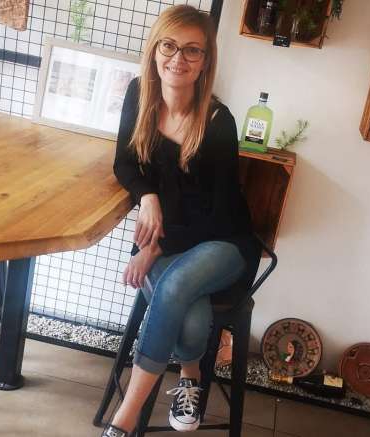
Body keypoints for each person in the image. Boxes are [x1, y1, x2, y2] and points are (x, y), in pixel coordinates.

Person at [102, 5, 261, 437]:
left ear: (206, 60)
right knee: (191, 315)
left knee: (173, 287)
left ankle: (123, 421)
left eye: (193, 50)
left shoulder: (218, 122)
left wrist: (153, 248)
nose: (178, 59)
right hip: (167, 239)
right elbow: (124, 163)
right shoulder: (139, 94)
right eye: (169, 46)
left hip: (223, 243)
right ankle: (192, 375)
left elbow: (218, 215)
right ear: (155, 49)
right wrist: (147, 196)